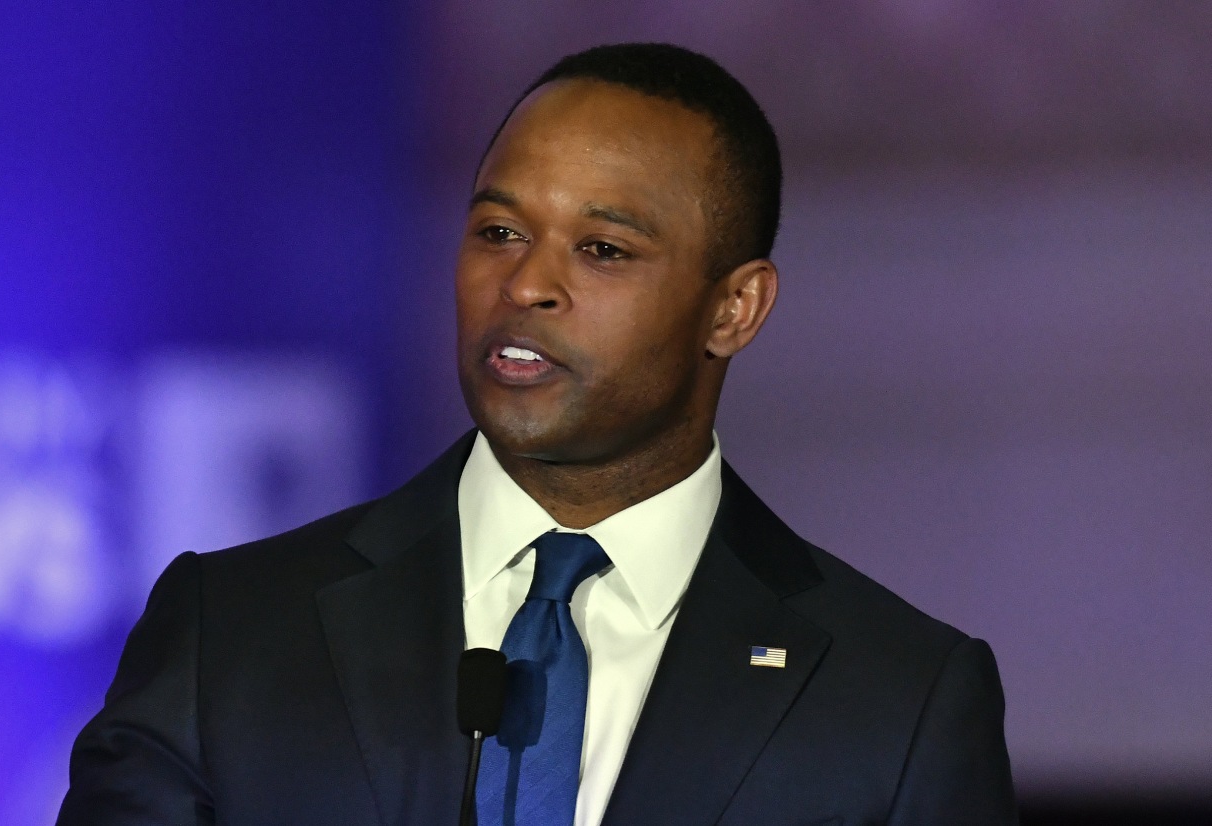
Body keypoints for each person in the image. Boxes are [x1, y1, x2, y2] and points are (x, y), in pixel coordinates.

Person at [58, 43, 1017, 825]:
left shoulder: (899, 701)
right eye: (499, 233)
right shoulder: (229, 633)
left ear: (735, 308)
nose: (524, 287)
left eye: (601, 250)